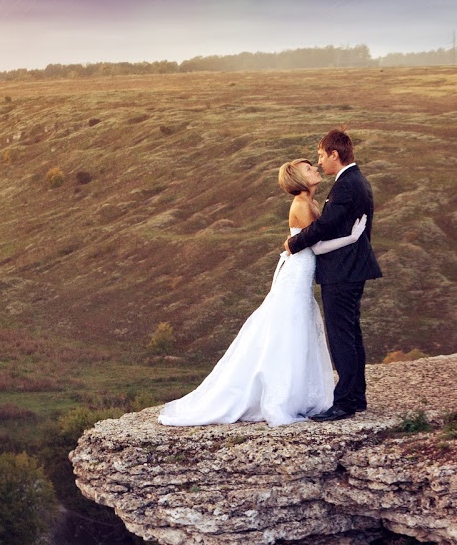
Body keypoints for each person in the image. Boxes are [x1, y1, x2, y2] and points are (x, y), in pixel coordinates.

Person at [158, 159, 367, 428]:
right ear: (299, 179)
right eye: (307, 168)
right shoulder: (302, 206)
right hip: (296, 276)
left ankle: (296, 393)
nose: (315, 168)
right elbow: (315, 247)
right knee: (286, 331)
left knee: (296, 331)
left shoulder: (312, 203)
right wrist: (351, 238)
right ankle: (278, 395)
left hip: (303, 276)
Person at [284, 128, 382, 421]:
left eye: (321, 156)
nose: (319, 161)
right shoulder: (354, 181)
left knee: (342, 336)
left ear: (334, 155)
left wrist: (293, 243)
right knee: (350, 333)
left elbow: (325, 227)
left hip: (343, 271)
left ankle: (346, 402)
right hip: (348, 269)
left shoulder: (346, 185)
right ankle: (356, 396)